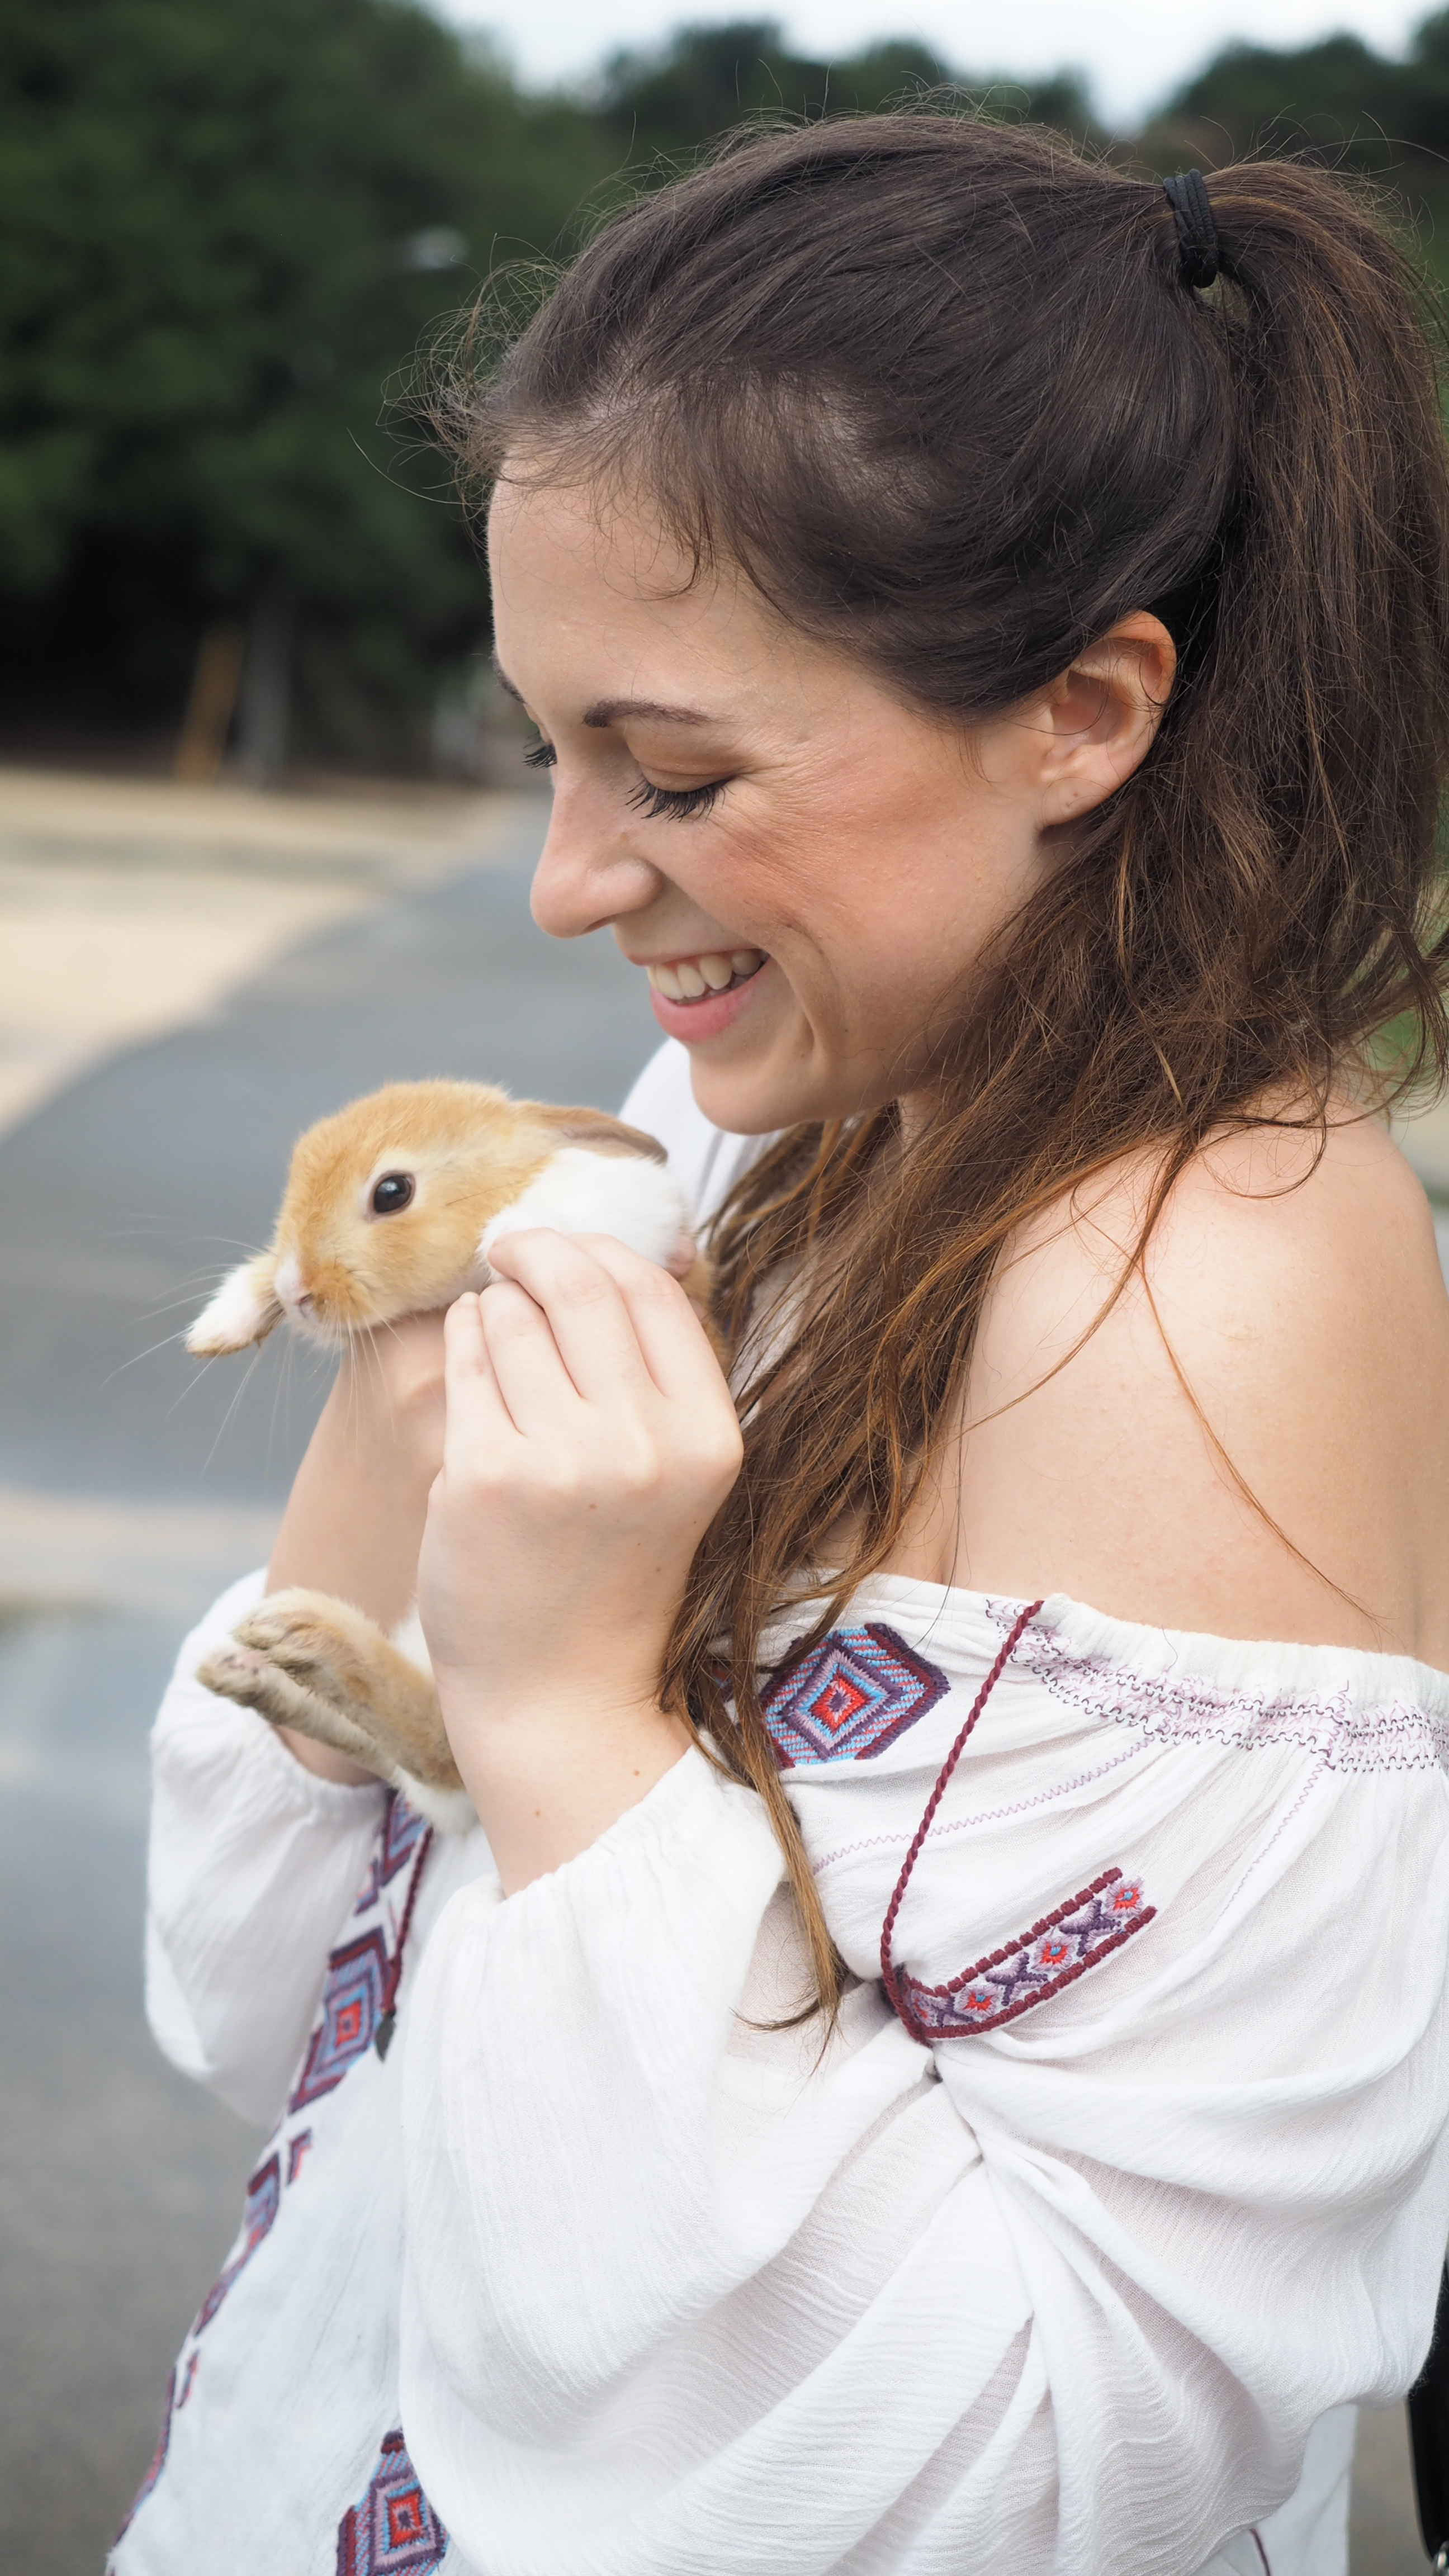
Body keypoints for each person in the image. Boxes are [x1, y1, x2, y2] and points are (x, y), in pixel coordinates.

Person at [117, 119, 1449, 2576]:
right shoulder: (760, 1124)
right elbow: (268, 2007)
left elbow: (1059, 2471)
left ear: (1084, 710)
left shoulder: (1199, 1281)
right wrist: (396, 1434)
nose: (566, 880)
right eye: (550, 748)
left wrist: (559, 1718)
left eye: (680, 771)